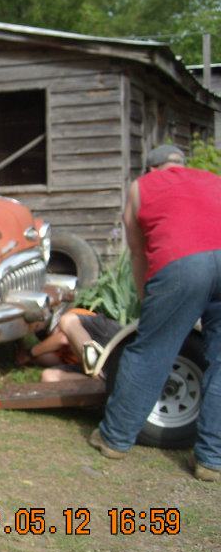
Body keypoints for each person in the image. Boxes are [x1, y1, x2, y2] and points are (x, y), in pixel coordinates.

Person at [89, 144, 221, 481]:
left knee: (150, 351)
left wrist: (148, 299)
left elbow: (137, 254)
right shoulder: (212, 179)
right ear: (181, 164)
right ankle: (212, 460)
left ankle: (114, 438)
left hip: (181, 266)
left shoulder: (140, 188)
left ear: (150, 169)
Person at [19, 308, 121, 382]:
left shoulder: (72, 315)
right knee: (48, 377)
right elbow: (53, 358)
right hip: (98, 371)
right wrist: (32, 357)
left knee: (67, 321)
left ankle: (99, 376)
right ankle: (103, 386)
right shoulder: (55, 348)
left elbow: (62, 339)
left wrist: (31, 353)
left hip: (113, 347)